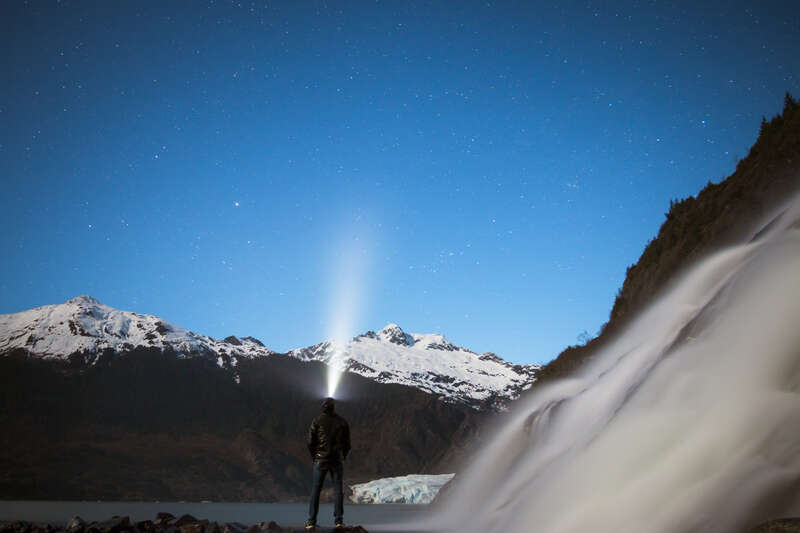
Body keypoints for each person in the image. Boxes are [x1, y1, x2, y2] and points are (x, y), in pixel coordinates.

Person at [306, 397, 351, 530]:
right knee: (338, 491)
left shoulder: (317, 421)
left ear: (323, 407)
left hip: (320, 460)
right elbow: (347, 443)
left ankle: (311, 522)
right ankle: (339, 521)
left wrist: (315, 456)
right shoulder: (342, 422)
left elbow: (310, 442)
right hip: (336, 460)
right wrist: (343, 456)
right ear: (334, 407)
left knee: (316, 490)